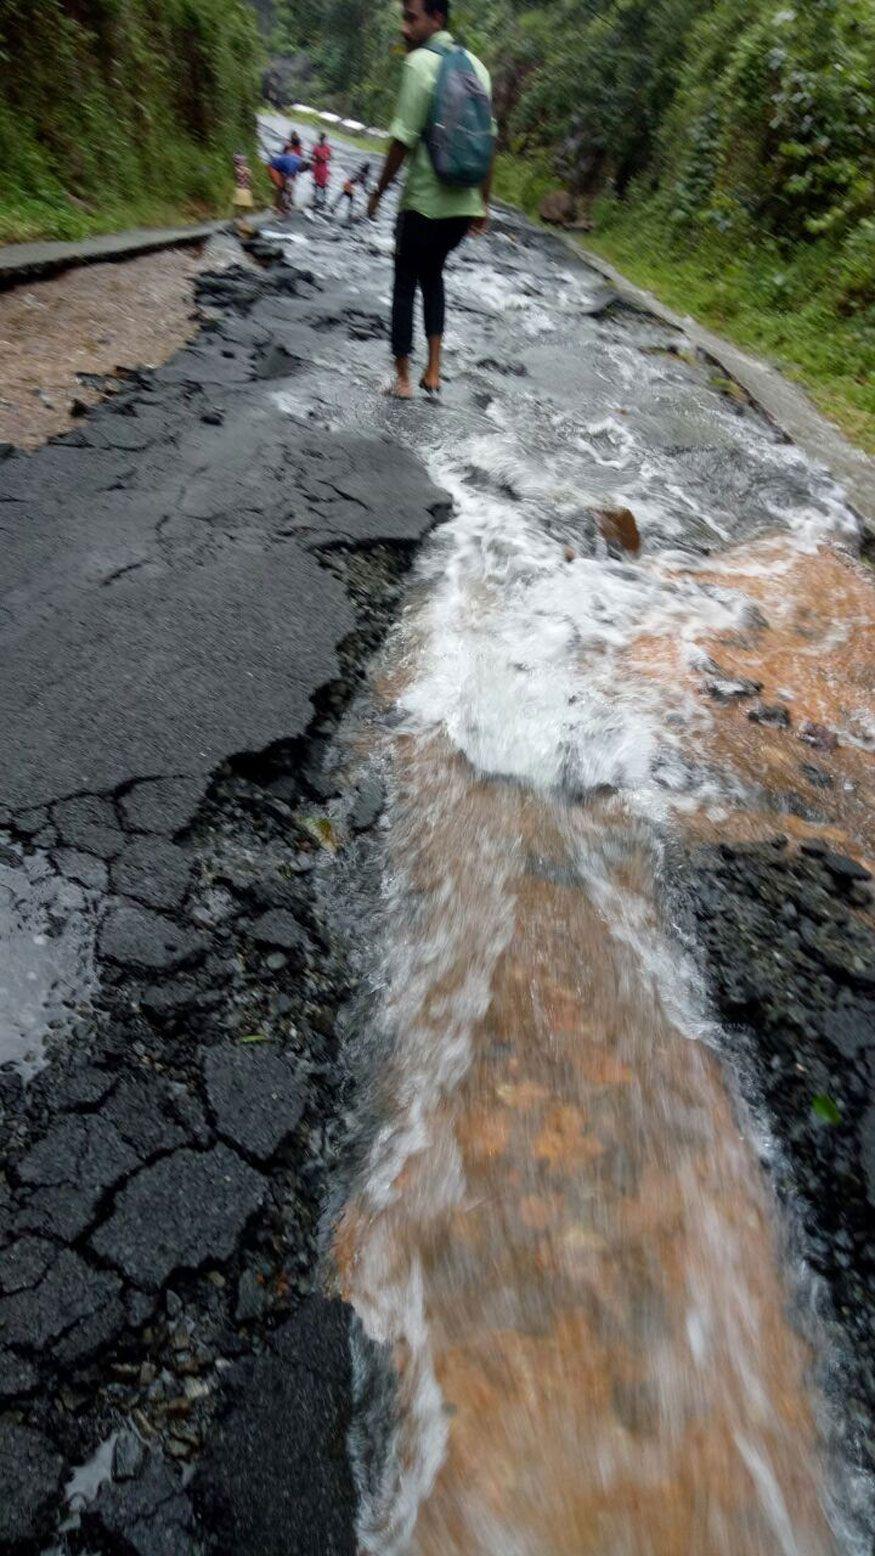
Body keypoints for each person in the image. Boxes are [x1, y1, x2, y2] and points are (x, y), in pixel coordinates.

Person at [367, 0, 494, 398]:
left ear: (436, 19)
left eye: (411, 17)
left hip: (422, 201)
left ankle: (403, 380)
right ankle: (434, 371)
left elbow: (402, 138)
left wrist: (377, 192)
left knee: (405, 281)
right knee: (434, 276)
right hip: (460, 206)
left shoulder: (419, 63)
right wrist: (482, 204)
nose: (404, 27)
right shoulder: (477, 67)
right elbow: (489, 143)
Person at [267, 139, 308, 213]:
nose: (301, 172)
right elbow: (288, 183)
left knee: (285, 188)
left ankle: (280, 205)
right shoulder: (292, 166)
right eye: (302, 171)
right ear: (302, 166)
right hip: (273, 167)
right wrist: (288, 195)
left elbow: (291, 181)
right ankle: (276, 207)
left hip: (281, 169)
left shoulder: (298, 160)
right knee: (281, 188)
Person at [311, 132, 332, 211]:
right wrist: (316, 159)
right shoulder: (315, 147)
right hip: (317, 167)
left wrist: (325, 158)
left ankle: (323, 202)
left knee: (323, 185)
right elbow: (312, 157)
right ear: (319, 139)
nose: (322, 141)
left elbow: (330, 157)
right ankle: (316, 201)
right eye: (321, 139)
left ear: (325, 140)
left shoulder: (328, 148)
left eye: (323, 139)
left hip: (323, 168)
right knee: (316, 184)